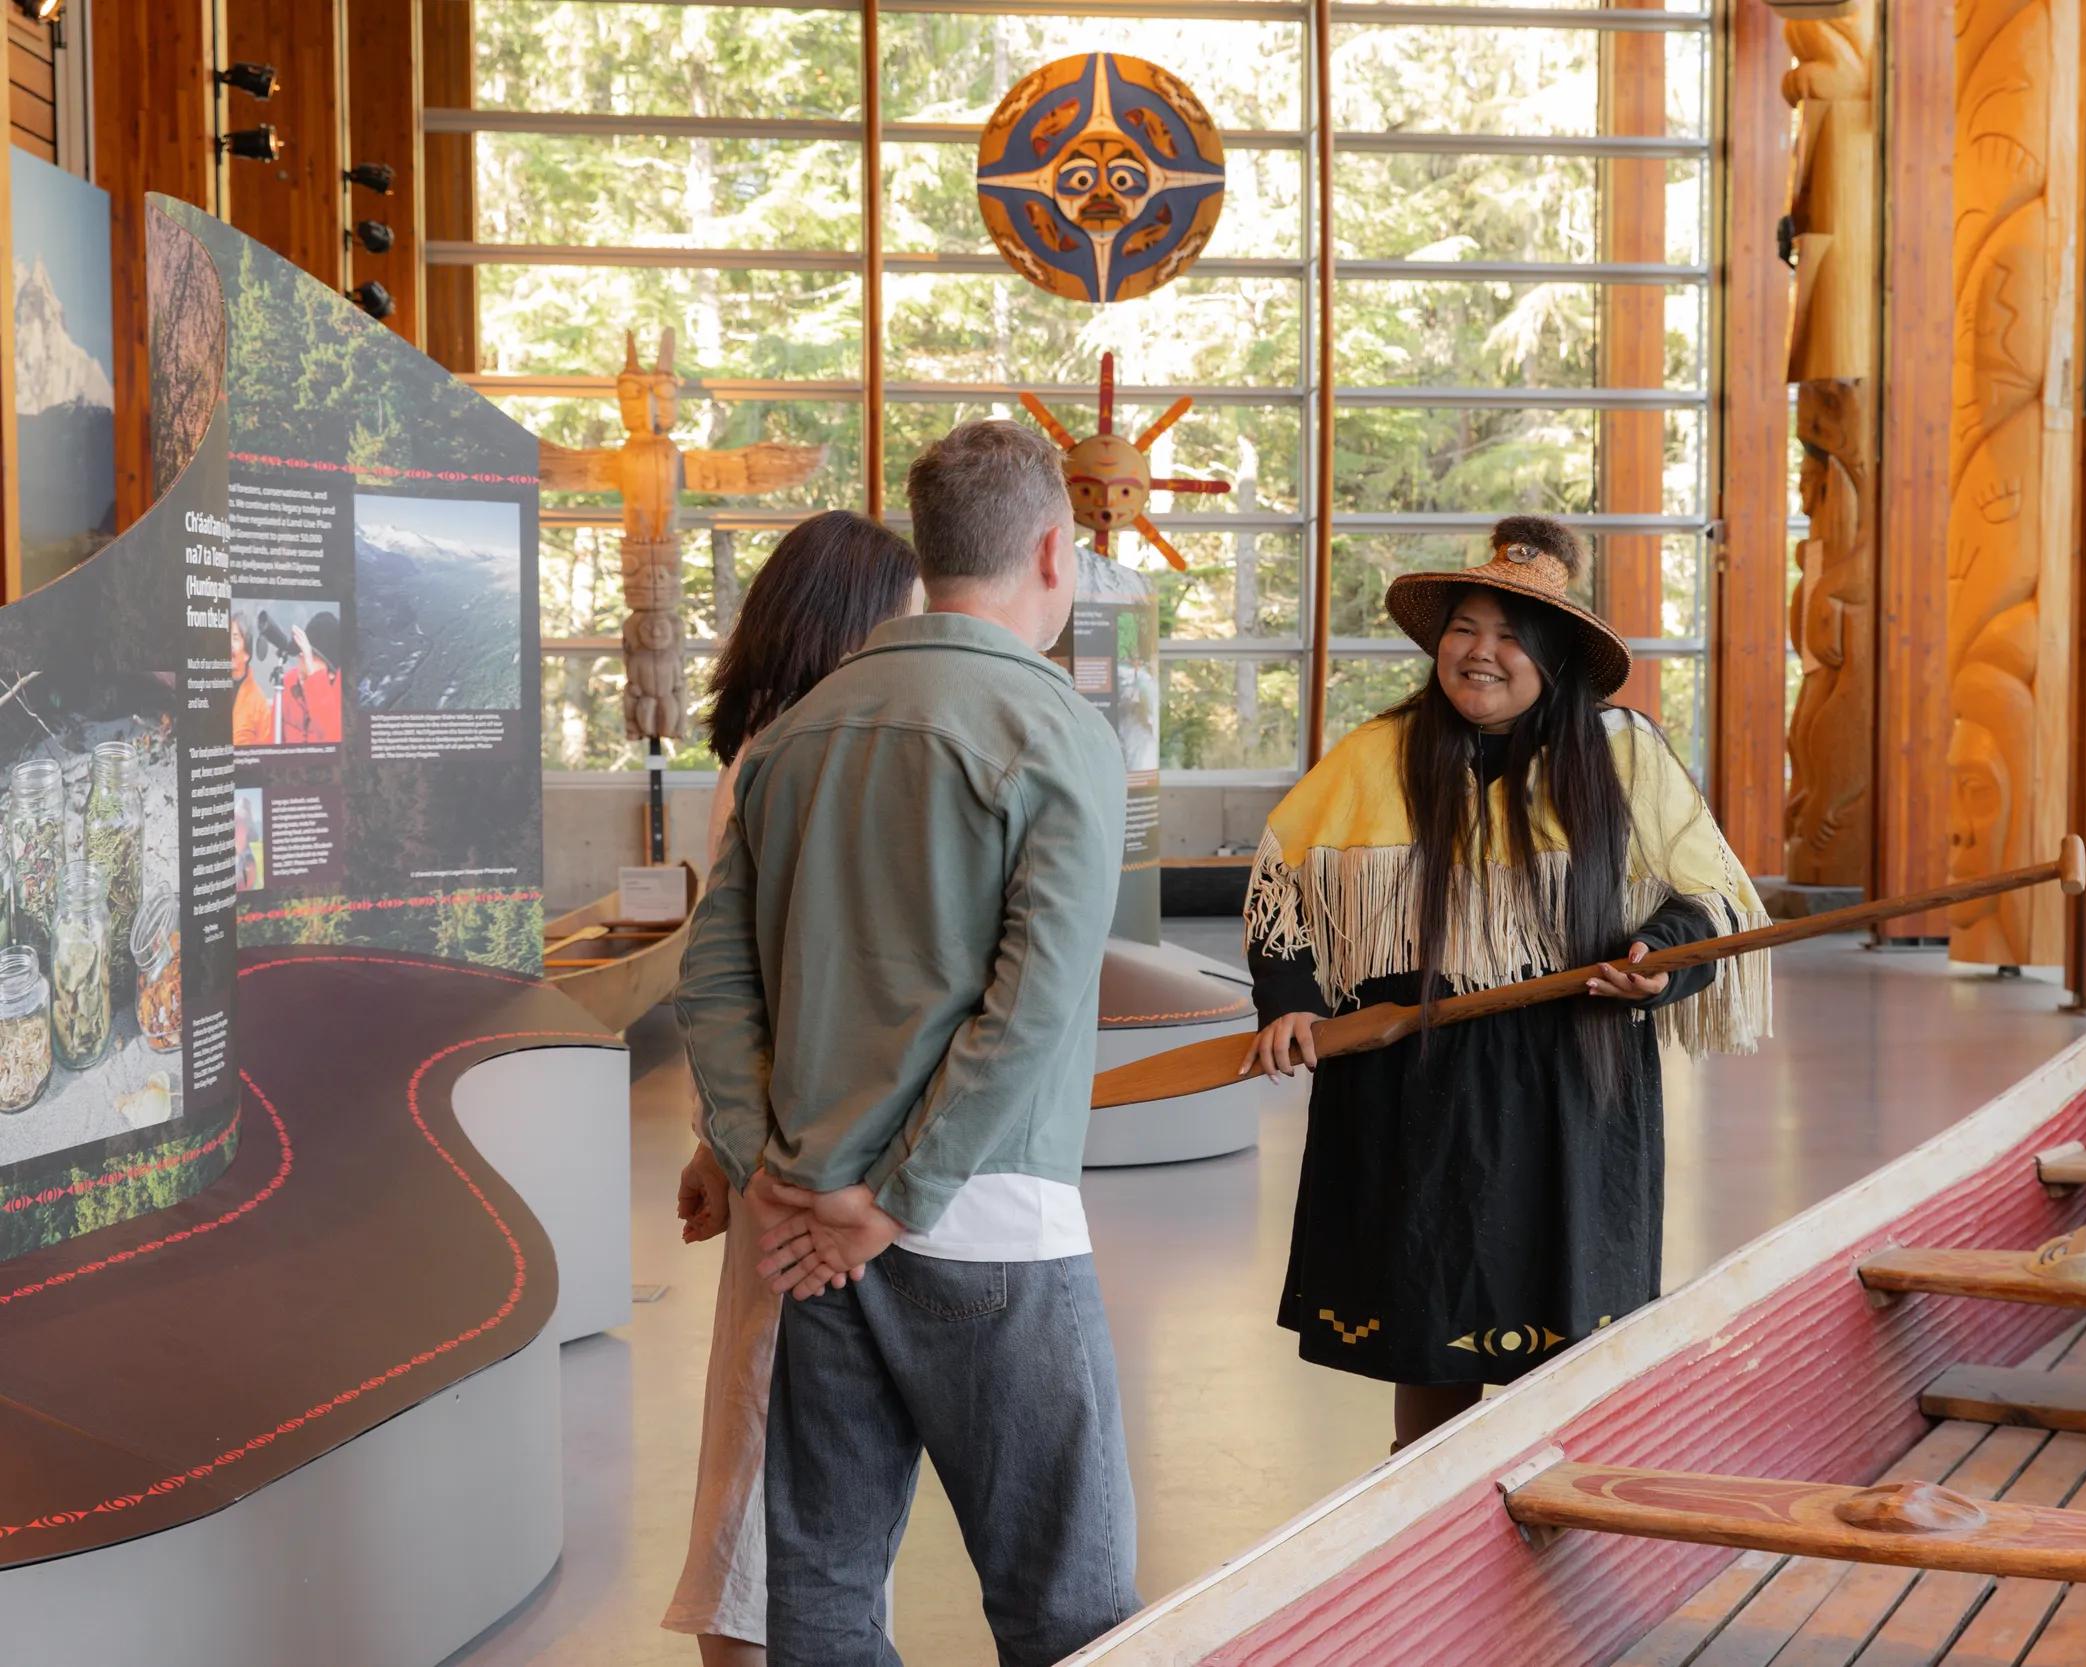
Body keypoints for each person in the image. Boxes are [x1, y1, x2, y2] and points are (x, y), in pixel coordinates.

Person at [675, 420, 1138, 1667]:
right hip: (992, 1226)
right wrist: (897, 1197)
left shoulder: (797, 732)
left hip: (808, 1233)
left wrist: (771, 1166)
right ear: (1054, 550)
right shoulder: (1057, 730)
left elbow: (709, 977)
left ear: (927, 552)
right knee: (1070, 1606)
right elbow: (1033, 1001)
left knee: (821, 1598)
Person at [1238, 518, 1772, 1451]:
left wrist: (1656, 958)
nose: (1481, 652)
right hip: (1411, 1091)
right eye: (1465, 628)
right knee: (1427, 1325)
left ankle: (1551, 1507)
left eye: (1511, 635)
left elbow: (1713, 900)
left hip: (1570, 1091)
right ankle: (1425, 1505)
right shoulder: (1380, 752)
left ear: (1555, 656)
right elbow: (1281, 886)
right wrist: (1288, 999)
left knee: (1561, 1345)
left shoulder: (1621, 755)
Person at [663, 511, 920, 1667]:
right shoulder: (790, 763)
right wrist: (745, 1150)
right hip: (799, 1162)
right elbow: (746, 987)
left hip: (778, 1150)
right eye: (905, 620)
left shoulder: (775, 755)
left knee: (787, 1441)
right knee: (769, 1447)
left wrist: (713, 1143)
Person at [278, 611, 344, 744]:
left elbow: (332, 739)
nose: (303, 656)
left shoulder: (343, 698)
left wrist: (313, 678)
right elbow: (271, 740)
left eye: (312, 655)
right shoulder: (286, 684)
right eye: (302, 650)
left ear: (331, 673)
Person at [230, 616, 274, 748]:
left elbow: (265, 751)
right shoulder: (209, 687)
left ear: (246, 654)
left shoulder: (258, 701)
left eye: (235, 638)